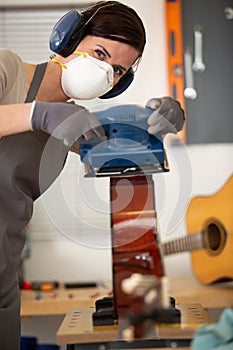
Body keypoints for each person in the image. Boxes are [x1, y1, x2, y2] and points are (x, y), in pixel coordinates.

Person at [0, 1, 185, 349]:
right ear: (68, 40)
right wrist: (38, 114)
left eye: (116, 70)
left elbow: (120, 146)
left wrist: (159, 123)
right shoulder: (7, 67)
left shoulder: (74, 122)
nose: (104, 72)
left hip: (4, 272)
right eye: (99, 53)